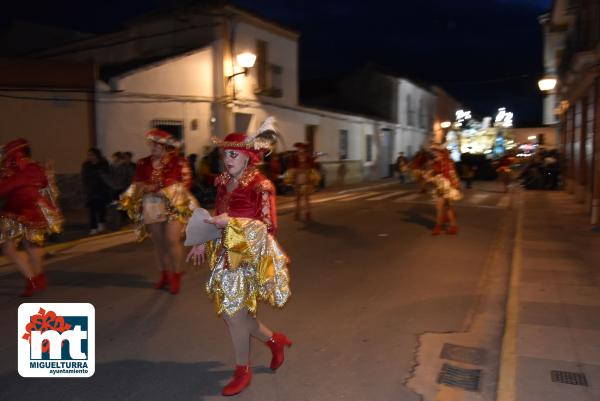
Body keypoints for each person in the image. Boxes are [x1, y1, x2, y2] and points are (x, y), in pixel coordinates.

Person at [186, 120, 291, 397]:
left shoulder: (262, 185)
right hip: (225, 254)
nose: (227, 160)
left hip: (248, 256)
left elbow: (268, 228)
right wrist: (201, 238)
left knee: (234, 317)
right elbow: (217, 215)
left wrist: (229, 221)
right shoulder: (223, 182)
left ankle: (242, 369)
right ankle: (275, 341)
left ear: (249, 156)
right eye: (225, 154)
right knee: (240, 316)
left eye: (233, 154)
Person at [120, 129, 198, 294]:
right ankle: (165, 274)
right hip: (152, 204)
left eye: (157, 145)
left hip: (173, 205)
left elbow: (187, 183)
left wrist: (167, 190)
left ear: (165, 146)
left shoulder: (179, 162)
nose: (153, 147)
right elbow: (137, 183)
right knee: (158, 242)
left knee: (171, 240)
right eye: (151, 144)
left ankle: (176, 274)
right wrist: (146, 187)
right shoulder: (143, 163)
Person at [0, 138, 63, 296]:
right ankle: (39, 277)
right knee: (32, 245)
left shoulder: (13, 169)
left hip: (17, 209)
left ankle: (32, 280)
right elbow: (48, 187)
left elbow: (4, 188)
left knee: (8, 248)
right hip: (36, 209)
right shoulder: (36, 167)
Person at [426, 145, 462, 235]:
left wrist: (456, 186)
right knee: (445, 207)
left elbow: (452, 175)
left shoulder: (447, 163)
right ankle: (452, 226)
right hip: (440, 187)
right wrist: (429, 177)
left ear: (442, 154)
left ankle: (439, 227)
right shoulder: (435, 163)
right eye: (434, 153)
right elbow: (430, 174)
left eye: (436, 153)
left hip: (446, 188)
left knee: (441, 208)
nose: (435, 155)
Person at [284, 142, 321, 222]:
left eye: (302, 149)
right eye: (299, 149)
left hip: (306, 180)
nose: (300, 150)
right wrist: (297, 171)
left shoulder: (308, 158)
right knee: (297, 198)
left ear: (304, 150)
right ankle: (297, 213)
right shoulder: (294, 158)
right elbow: (291, 169)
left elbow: (311, 168)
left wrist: (307, 170)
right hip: (297, 180)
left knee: (307, 198)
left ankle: (308, 213)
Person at [81, 148, 111, 235]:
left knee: (102, 209)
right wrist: (86, 188)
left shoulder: (103, 163)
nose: (90, 157)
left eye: (92, 155)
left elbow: (107, 176)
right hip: (91, 190)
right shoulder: (86, 165)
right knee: (92, 210)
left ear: (97, 155)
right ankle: (93, 227)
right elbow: (84, 177)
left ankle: (101, 224)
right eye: (89, 155)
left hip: (102, 190)